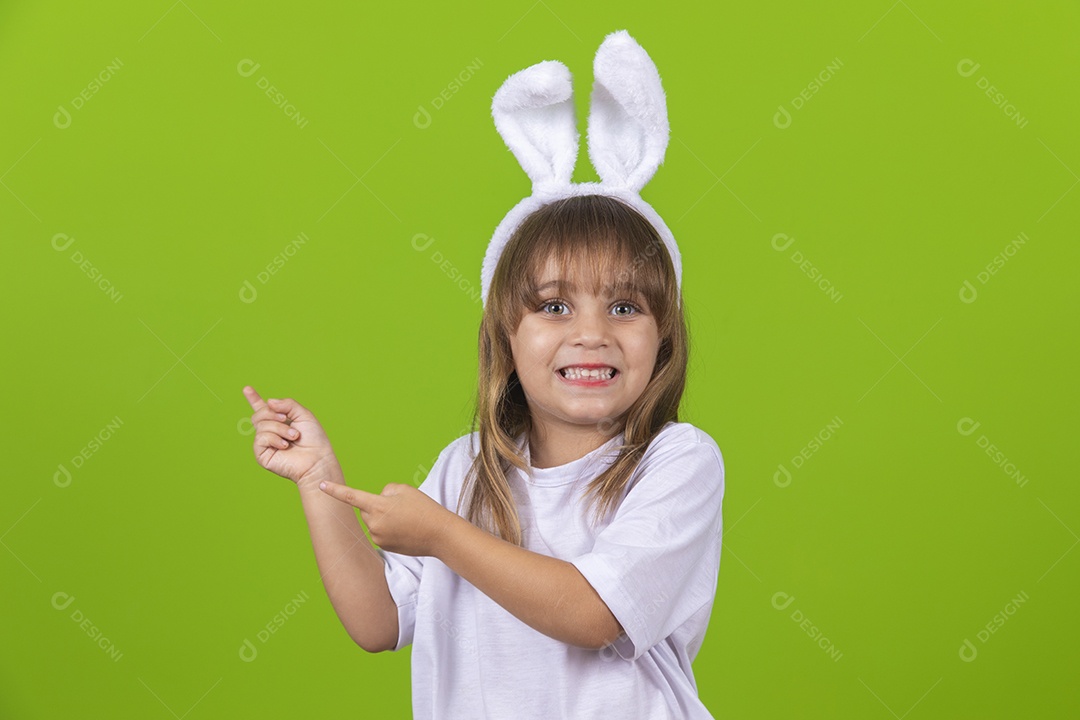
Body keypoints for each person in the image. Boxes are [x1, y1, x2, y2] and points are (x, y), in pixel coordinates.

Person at [243, 29, 724, 719]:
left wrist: (440, 533)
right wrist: (319, 481)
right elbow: (379, 624)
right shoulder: (465, 469)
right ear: (507, 334)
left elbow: (594, 614)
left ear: (663, 337)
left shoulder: (677, 462)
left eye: (624, 305)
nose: (591, 333)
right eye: (554, 305)